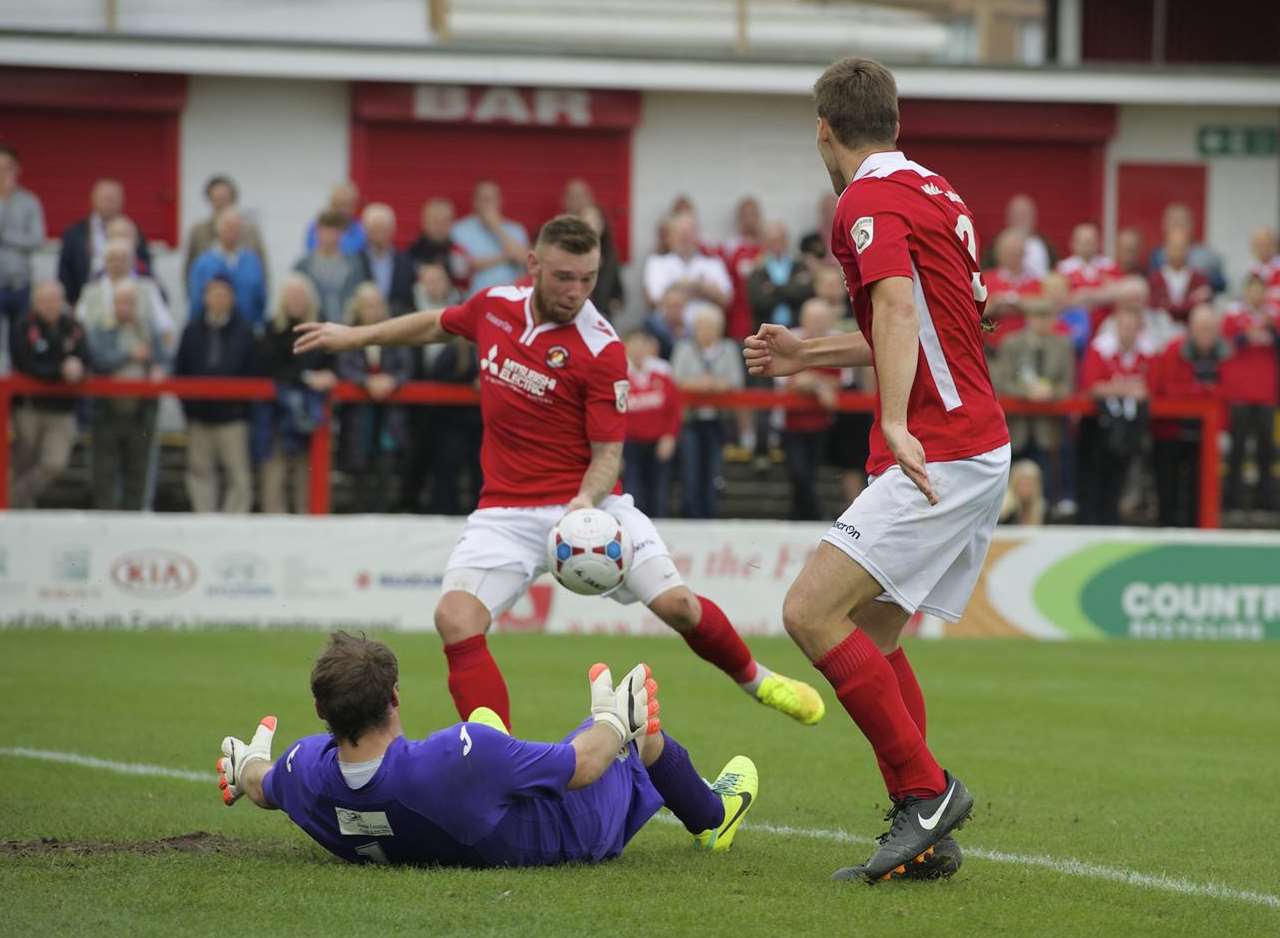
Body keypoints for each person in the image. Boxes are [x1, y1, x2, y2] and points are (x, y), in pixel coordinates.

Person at [295, 214, 824, 733]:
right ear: (533, 265)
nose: (576, 291)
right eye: (564, 276)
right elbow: (436, 323)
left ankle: (759, 680)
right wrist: (354, 336)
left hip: (588, 505)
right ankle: (497, 758)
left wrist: (584, 502)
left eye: (588, 279)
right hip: (505, 509)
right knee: (454, 619)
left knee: (679, 605)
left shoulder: (601, 348)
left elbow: (608, 454)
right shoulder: (495, 306)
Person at [743, 57, 1012, 884]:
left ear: (824, 129)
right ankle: (925, 826)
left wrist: (894, 419)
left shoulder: (862, 200)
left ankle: (928, 794)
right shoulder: (939, 193)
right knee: (874, 635)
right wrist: (809, 354)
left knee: (809, 611)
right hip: (975, 443)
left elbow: (897, 307)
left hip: (942, 444)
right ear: (895, 121)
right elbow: (950, 317)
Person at [215, 631, 758, 866]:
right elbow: (587, 764)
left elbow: (264, 785)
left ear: (322, 711)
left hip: (451, 827)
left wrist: (244, 768)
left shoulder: (303, 770)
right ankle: (714, 816)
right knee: (643, 740)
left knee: (494, 738)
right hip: (569, 833)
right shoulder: (454, 756)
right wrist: (616, 720)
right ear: (395, 695)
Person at [173, 274, 257, 513]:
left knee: (239, 476)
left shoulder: (245, 331)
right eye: (214, 293)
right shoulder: (192, 330)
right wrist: (190, 409)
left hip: (233, 418)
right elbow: (181, 371)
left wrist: (241, 409)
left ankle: (233, 523)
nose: (219, 299)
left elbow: (253, 372)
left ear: (232, 298)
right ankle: (204, 520)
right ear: (205, 298)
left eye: (224, 294)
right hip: (200, 417)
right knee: (200, 473)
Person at [84, 279, 168, 511]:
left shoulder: (148, 329)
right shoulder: (101, 329)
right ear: (113, 304)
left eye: (129, 302)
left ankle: (135, 519)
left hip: (140, 413)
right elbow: (97, 361)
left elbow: (164, 360)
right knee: (104, 473)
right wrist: (129, 354)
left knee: (138, 472)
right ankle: (104, 518)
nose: (124, 307)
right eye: (120, 302)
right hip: (108, 412)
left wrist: (159, 369)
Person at [257, 274, 336, 515]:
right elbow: (269, 368)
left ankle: (310, 521)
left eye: (301, 295)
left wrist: (328, 375)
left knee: (309, 473)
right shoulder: (273, 329)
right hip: (276, 414)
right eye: (291, 295)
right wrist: (306, 377)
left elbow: (333, 365)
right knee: (275, 472)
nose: (296, 300)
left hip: (312, 415)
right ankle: (273, 521)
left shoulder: (323, 329)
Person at [1148, 303, 1230, 527]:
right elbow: (1165, 389)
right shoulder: (1173, 351)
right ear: (1191, 329)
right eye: (1202, 328)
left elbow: (1229, 393)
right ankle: (1165, 532)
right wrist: (1202, 391)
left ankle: (1199, 535)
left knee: (1200, 491)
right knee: (1168, 489)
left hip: (1206, 436)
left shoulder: (1226, 354)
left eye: (1211, 329)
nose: (1206, 334)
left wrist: (1222, 429)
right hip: (1171, 432)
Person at [335, 283, 413, 513]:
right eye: (368, 306)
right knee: (359, 469)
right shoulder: (347, 335)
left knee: (386, 467)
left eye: (377, 305)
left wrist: (391, 381)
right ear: (358, 308)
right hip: (359, 418)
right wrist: (365, 382)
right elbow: (343, 367)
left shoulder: (395, 333)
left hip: (388, 417)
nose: (374, 310)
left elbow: (406, 367)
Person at [9, 280, 87, 508]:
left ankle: (12, 499)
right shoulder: (23, 326)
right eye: (44, 300)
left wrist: (78, 367)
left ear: (62, 302)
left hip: (62, 409)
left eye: (54, 300)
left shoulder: (73, 326)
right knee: (20, 462)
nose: (50, 305)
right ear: (35, 303)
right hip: (29, 408)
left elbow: (86, 358)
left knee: (55, 463)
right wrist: (61, 371)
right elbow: (25, 365)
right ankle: (18, 510)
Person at [991, 303, 1075, 503]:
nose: (1042, 322)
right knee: (1008, 485)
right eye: (1038, 316)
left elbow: (1068, 385)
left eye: (1047, 317)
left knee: (1045, 482)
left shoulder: (1063, 345)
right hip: (1015, 427)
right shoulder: (1012, 343)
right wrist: (1027, 392)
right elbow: (1001, 382)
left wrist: (1051, 391)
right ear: (1029, 318)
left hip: (1047, 430)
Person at [1077, 305, 1152, 526]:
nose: (1127, 332)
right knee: (1095, 476)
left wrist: (1116, 386)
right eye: (1123, 326)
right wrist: (1126, 388)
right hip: (1099, 427)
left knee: (1120, 477)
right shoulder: (1100, 348)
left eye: (1132, 327)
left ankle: (1111, 519)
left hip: (1130, 428)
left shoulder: (1145, 352)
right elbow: (1091, 386)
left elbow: (1150, 388)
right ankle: (1091, 521)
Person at [671, 302, 744, 519]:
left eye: (711, 326)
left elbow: (735, 381)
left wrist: (714, 385)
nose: (706, 331)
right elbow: (675, 380)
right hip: (690, 420)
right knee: (690, 471)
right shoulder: (683, 348)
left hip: (718, 420)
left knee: (714, 472)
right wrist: (699, 384)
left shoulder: (729, 349)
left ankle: (710, 514)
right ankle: (691, 514)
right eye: (702, 326)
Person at [779, 298, 841, 521]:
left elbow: (838, 384)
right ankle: (814, 515)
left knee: (810, 474)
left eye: (821, 319)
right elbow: (791, 382)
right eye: (813, 319)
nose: (817, 324)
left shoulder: (836, 341)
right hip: (791, 421)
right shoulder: (790, 338)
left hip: (821, 422)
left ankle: (800, 516)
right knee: (798, 472)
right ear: (803, 319)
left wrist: (810, 382)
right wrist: (818, 384)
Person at [1220, 275, 1277, 514]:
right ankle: (1233, 501)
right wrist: (1249, 335)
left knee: (1266, 449)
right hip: (1240, 392)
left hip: (1266, 393)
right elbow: (1229, 343)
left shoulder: (1274, 316)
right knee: (1238, 449)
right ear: (1245, 293)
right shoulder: (1234, 316)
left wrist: (1270, 331)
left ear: (1264, 293)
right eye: (1251, 291)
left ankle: (1267, 501)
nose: (1255, 296)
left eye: (1259, 291)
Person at [57, 178, 151, 305]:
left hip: (130, 302)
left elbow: (147, 270)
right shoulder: (74, 234)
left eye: (113, 199)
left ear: (122, 201)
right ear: (93, 199)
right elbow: (65, 274)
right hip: (85, 301)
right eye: (105, 198)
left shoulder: (135, 231)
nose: (109, 203)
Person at [75, 236, 175, 347]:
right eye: (112, 259)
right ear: (104, 262)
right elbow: (78, 329)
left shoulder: (148, 288)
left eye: (123, 259)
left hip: (141, 358)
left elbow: (166, 328)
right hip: (98, 358)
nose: (117, 263)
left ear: (133, 261)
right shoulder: (90, 292)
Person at [623, 327, 680, 518]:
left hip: (658, 441)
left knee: (659, 492)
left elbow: (674, 408)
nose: (638, 350)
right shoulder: (618, 373)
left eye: (642, 345)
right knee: (633, 491)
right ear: (626, 347)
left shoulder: (662, 371)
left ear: (649, 348)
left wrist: (669, 436)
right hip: (629, 443)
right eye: (634, 345)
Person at [188, 208, 269, 330]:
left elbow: (260, 298)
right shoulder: (203, 263)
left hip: (247, 332)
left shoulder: (252, 261)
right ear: (218, 229)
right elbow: (196, 301)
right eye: (227, 226)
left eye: (236, 227)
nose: (232, 231)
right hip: (212, 333)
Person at [642, 212, 732, 316]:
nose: (685, 238)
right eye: (680, 233)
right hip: (666, 326)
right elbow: (654, 298)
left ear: (698, 236)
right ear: (670, 237)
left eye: (689, 233)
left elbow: (726, 299)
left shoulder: (713, 263)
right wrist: (701, 288)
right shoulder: (657, 262)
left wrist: (677, 288)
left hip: (707, 326)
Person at [0, 145, 46, 345]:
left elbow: (37, 239)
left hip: (21, 284)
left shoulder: (30, 201)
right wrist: (3, 201)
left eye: (7, 167)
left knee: (21, 340)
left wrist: (4, 235)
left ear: (17, 169)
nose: (3, 173)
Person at [183, 174, 267, 284]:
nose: (221, 203)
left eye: (225, 198)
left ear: (233, 198)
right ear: (210, 200)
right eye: (217, 199)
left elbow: (262, 268)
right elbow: (189, 269)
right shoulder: (198, 231)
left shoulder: (250, 231)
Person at [450, 181, 529, 297]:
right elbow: (464, 266)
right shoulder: (459, 230)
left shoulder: (516, 230)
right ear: (474, 202)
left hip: (510, 298)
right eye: (484, 199)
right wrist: (506, 256)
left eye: (492, 199)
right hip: (474, 298)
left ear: (500, 201)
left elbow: (525, 260)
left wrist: (496, 227)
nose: (488, 204)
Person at [563, 179, 624, 319]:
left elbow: (619, 293)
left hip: (601, 316)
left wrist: (612, 304)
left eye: (597, 221)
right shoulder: (568, 252)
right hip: (573, 314)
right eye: (588, 221)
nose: (593, 226)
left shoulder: (610, 255)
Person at [1056, 222, 1122, 338]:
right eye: (1083, 241)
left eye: (1091, 241)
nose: (1087, 245)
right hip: (1074, 330)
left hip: (1106, 330)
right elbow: (1060, 301)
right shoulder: (1063, 269)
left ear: (1098, 243)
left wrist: (1086, 296)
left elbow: (1118, 295)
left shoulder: (1109, 266)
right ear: (1073, 243)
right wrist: (1102, 295)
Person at [296, 210, 364, 323]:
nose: (330, 236)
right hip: (312, 326)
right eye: (325, 230)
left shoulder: (354, 265)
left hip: (347, 327)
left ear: (342, 233)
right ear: (317, 232)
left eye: (335, 231)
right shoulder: (303, 265)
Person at [981, 227, 1042, 350]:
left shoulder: (1036, 282)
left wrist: (1019, 303)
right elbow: (975, 311)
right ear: (999, 253)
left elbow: (1044, 306)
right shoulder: (985, 280)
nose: (1014, 256)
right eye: (1010, 252)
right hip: (992, 347)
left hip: (1029, 348)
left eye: (1018, 252)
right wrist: (994, 304)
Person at [746, 221, 814, 331]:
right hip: (766, 329)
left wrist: (773, 289)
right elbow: (759, 302)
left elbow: (803, 293)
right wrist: (789, 289)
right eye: (772, 240)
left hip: (797, 328)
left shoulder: (799, 265)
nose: (777, 244)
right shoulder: (758, 268)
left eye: (780, 240)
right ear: (765, 242)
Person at [1147, 203, 1225, 295]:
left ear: (1192, 225)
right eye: (1173, 220)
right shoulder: (1157, 255)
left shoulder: (1208, 255)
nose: (1178, 225)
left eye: (1182, 220)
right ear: (1164, 225)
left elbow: (1221, 284)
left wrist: (1199, 279)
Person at [358, 203, 415, 316]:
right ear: (365, 230)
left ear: (393, 229)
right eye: (375, 229)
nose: (379, 235)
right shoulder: (355, 262)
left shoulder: (406, 263)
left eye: (383, 229)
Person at [720, 196, 764, 339]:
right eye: (745, 215)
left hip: (763, 309)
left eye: (753, 214)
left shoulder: (766, 246)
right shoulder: (730, 247)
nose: (749, 220)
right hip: (739, 313)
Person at [1148, 227, 1212, 325]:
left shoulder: (1200, 279)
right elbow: (1154, 309)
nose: (1177, 252)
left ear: (1189, 249)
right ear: (1166, 248)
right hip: (1160, 332)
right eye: (1174, 247)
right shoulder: (1155, 279)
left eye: (1181, 247)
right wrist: (1192, 301)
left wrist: (1168, 306)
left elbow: (1201, 308)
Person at [407, 197, 468, 286]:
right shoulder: (412, 254)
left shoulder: (459, 252)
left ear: (452, 223)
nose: (439, 227)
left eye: (444, 221)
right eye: (435, 221)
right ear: (425, 222)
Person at [303, 181, 366, 256]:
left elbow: (360, 253)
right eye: (340, 204)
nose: (344, 210)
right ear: (332, 204)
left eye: (349, 205)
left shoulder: (359, 229)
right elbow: (312, 251)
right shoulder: (316, 226)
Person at [1003, 194, 1053, 278]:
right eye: (1017, 214)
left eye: (1025, 214)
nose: (1021, 218)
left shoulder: (1047, 246)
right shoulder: (995, 247)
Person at [998, 459, 1046, 525]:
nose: (1026, 489)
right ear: (1014, 485)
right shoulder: (1005, 514)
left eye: (1029, 484)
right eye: (1023, 484)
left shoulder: (1044, 512)